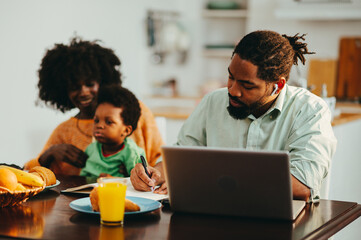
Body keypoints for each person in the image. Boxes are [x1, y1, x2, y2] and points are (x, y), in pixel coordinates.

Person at [131, 30, 337, 201]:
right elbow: (181, 158)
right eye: (230, 77)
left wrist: (210, 177)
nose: (232, 90)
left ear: (278, 86)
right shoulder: (213, 101)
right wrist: (155, 173)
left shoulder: (310, 110)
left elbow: (302, 185)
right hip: (214, 217)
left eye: (247, 85)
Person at [24, 37, 165, 190]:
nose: (83, 92)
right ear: (63, 90)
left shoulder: (136, 111)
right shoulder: (63, 132)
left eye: (90, 84)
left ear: (103, 81)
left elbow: (163, 161)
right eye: (74, 87)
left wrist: (141, 175)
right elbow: (29, 175)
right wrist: (49, 154)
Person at [80, 84, 145, 178]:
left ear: (126, 130)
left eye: (109, 122)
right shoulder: (91, 149)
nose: (100, 126)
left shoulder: (132, 154)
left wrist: (114, 180)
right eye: (96, 121)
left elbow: (139, 182)